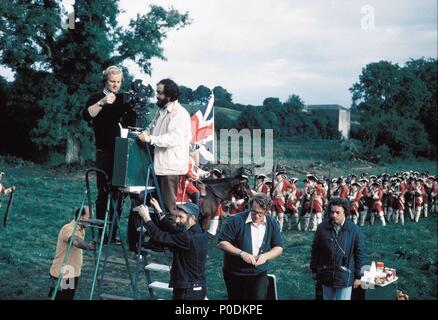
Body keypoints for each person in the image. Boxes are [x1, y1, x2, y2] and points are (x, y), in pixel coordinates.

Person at [82, 65, 134, 242]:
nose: (116, 85)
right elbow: (86, 115)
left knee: (119, 192)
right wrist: (103, 102)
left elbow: (131, 122)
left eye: (119, 82)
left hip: (121, 151)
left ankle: (112, 233)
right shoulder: (96, 98)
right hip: (104, 151)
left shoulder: (124, 99)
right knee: (102, 193)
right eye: (112, 81)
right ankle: (99, 232)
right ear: (105, 80)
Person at [134, 199, 208, 300]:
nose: (177, 220)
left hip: (188, 291)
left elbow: (160, 236)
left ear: (192, 218)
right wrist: (159, 211)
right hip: (194, 288)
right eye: (177, 216)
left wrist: (146, 218)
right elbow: (174, 230)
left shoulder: (187, 238)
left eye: (180, 217)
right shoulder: (199, 232)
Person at [138, 79, 192, 216]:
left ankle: (171, 236)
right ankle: (157, 235)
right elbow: (151, 128)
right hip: (158, 166)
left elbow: (173, 138)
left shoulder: (179, 113)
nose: (156, 95)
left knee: (168, 208)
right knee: (155, 206)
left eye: (160, 93)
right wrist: (143, 133)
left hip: (170, 168)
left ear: (169, 95)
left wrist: (150, 139)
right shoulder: (161, 111)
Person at [217, 193, 284, 300]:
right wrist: (241, 253)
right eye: (253, 211)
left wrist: (265, 256)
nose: (256, 216)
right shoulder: (235, 220)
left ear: (267, 212)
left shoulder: (272, 223)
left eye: (260, 214)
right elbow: (222, 243)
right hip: (235, 272)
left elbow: (279, 247)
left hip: (259, 272)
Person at [310, 197, 367, 300]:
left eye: (337, 212)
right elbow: (315, 250)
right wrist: (314, 269)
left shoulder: (354, 230)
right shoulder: (322, 228)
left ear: (345, 212)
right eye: (332, 212)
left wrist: (359, 276)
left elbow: (360, 253)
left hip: (345, 277)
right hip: (326, 275)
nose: (333, 215)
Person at [48, 206, 95, 300]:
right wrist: (88, 246)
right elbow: (75, 241)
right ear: (81, 217)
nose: (92, 220)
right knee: (59, 298)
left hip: (71, 273)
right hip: (63, 273)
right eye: (89, 217)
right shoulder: (68, 228)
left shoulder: (81, 230)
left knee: (67, 297)